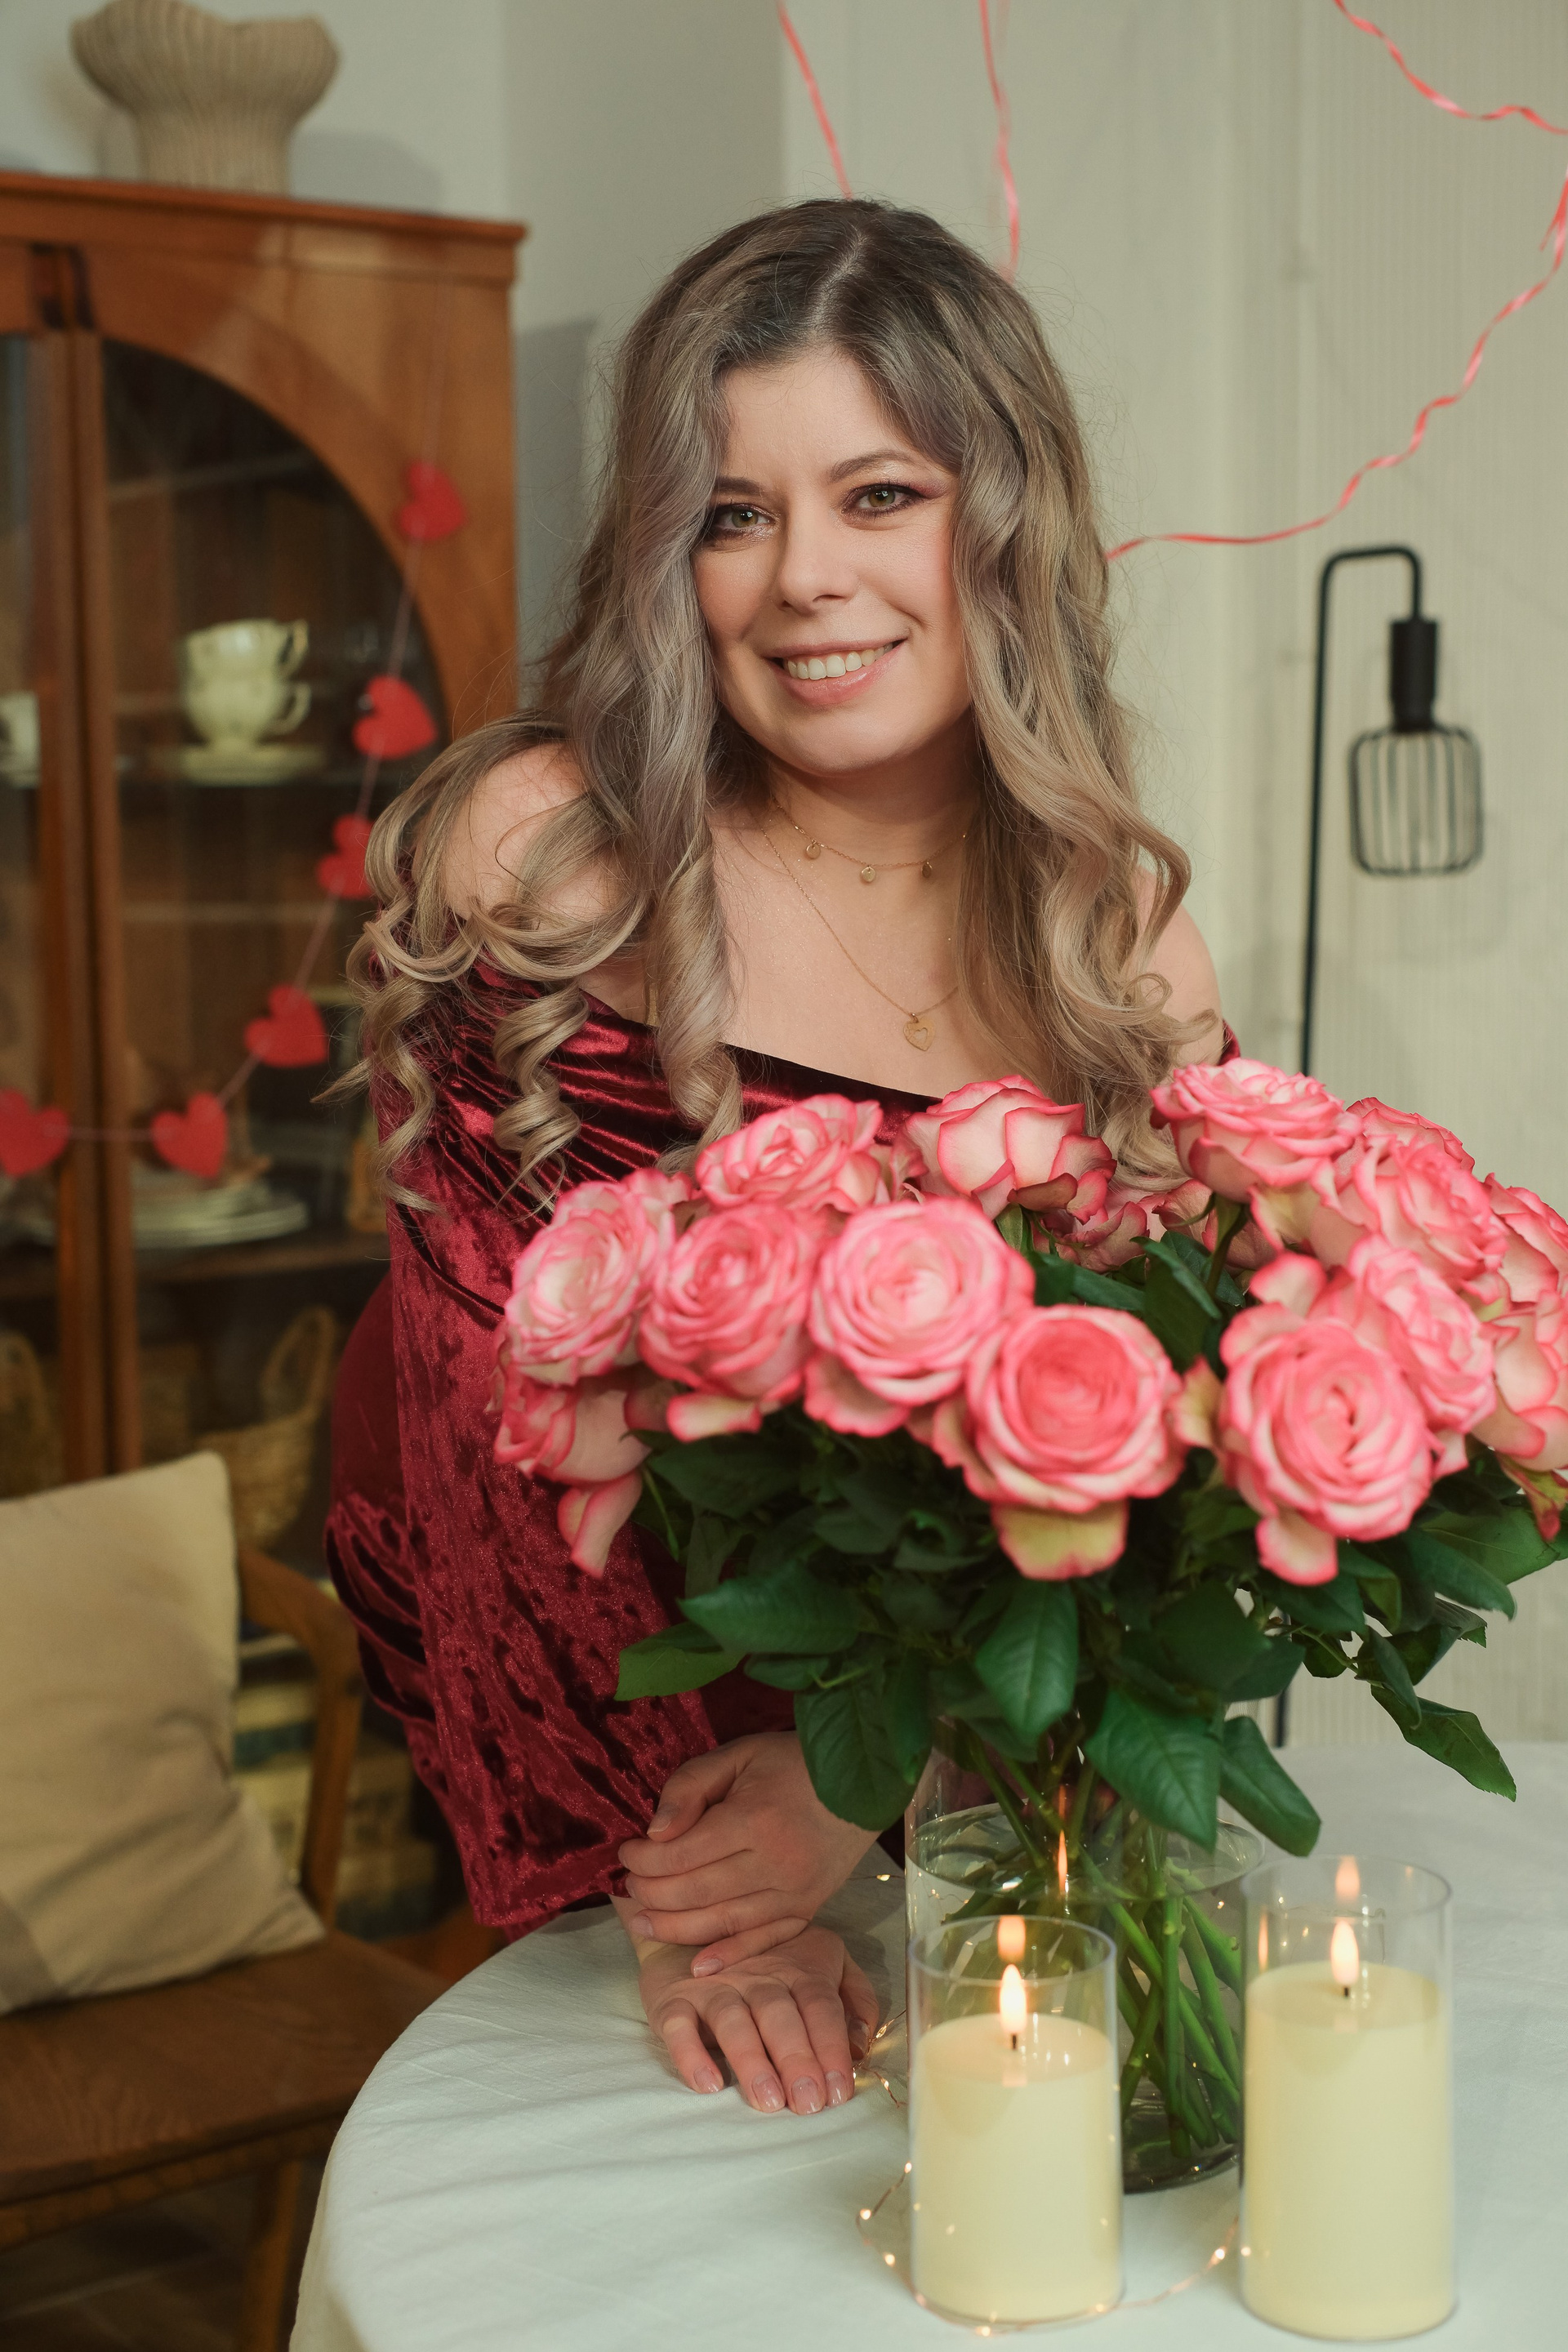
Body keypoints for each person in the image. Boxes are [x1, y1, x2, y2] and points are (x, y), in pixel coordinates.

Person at [328, 197, 1226, 2125]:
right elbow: (488, 1414)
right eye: (733, 515)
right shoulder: (552, 854)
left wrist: (866, 1777)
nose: (806, 579)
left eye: (879, 495)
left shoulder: (1122, 948)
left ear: (1004, 521)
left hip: (926, 1754)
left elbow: (1137, 1473)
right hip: (588, 1731)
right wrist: (710, 1909)